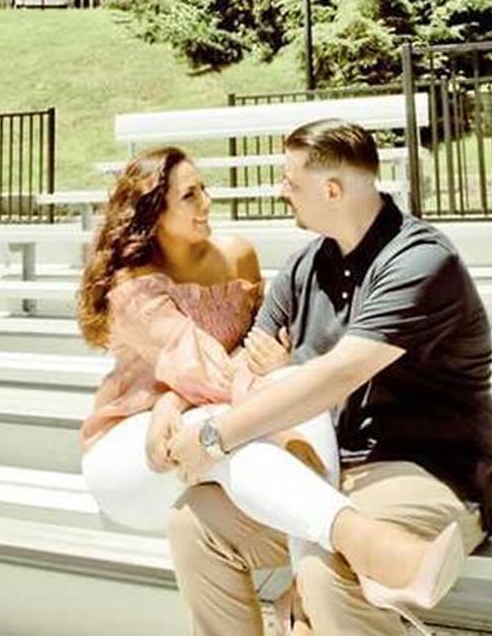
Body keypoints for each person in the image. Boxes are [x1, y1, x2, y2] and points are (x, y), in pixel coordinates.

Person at [76, 146, 469, 630]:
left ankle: (322, 558)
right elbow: (205, 372)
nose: (207, 203)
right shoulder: (132, 287)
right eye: (189, 195)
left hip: (208, 421)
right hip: (134, 449)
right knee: (248, 419)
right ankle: (362, 539)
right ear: (153, 212)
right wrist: (175, 400)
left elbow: (253, 347)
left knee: (274, 398)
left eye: (205, 189)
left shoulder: (237, 254)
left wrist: (265, 376)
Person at [163, 119, 492, 635]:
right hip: (322, 470)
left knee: (326, 572)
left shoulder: (421, 261)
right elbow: (242, 371)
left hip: (425, 472)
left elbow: (338, 374)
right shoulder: (303, 267)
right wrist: (171, 404)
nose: (281, 191)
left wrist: (215, 436)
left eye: (290, 181)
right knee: (195, 522)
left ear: (331, 190)